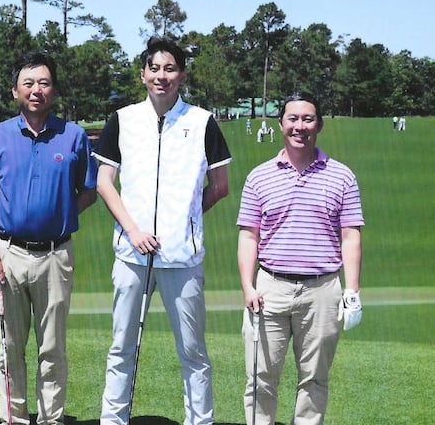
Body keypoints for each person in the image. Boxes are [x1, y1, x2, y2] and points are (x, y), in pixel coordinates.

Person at [94, 36, 232, 425]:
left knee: (193, 353)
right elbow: (105, 182)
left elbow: (220, 186)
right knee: (122, 349)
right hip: (131, 255)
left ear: (182, 75)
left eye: (170, 68)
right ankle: (113, 421)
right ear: (142, 74)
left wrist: (186, 222)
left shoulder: (202, 122)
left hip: (182, 259)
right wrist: (134, 230)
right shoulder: (122, 119)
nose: (161, 75)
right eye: (154, 68)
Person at [0, 51, 98, 425]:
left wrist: (59, 216)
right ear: (15, 91)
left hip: (56, 256)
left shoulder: (73, 135)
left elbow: (88, 190)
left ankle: (50, 419)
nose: (36, 90)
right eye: (28, 83)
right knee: (10, 347)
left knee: (52, 348)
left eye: (44, 83)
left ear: (54, 90)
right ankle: (14, 419)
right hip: (8, 254)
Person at [237, 92, 364, 425]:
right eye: (293, 119)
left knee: (314, 380)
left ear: (319, 125)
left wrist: (352, 291)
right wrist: (247, 287)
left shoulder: (342, 176)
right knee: (260, 377)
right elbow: (249, 236)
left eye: (308, 119)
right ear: (281, 124)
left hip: (322, 291)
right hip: (270, 288)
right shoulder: (259, 176)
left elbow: (350, 235)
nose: (300, 126)